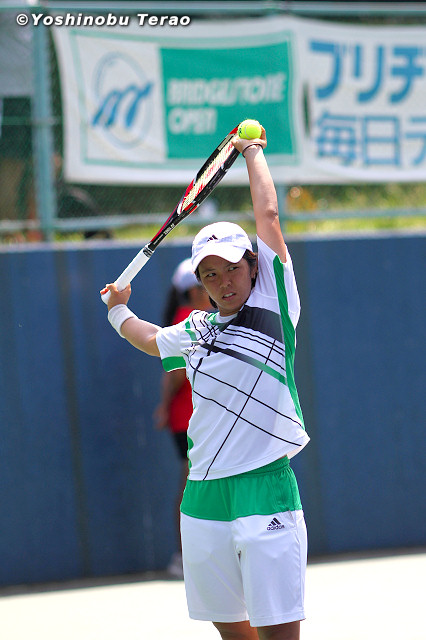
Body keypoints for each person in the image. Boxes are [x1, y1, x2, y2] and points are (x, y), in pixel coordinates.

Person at [103, 126, 310, 640]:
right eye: (210, 275)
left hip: (265, 487)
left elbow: (268, 217)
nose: (223, 282)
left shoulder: (275, 305)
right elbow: (151, 339)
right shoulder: (196, 328)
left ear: (253, 267)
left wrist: (252, 152)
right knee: (232, 632)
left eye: (232, 269)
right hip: (202, 497)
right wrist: (117, 310)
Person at [154, 258, 210, 578]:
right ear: (192, 291)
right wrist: (164, 406)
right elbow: (175, 374)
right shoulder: (188, 320)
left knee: (197, 483)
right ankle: (185, 557)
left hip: (191, 418)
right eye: (206, 281)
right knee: (193, 484)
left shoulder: (194, 319)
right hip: (188, 420)